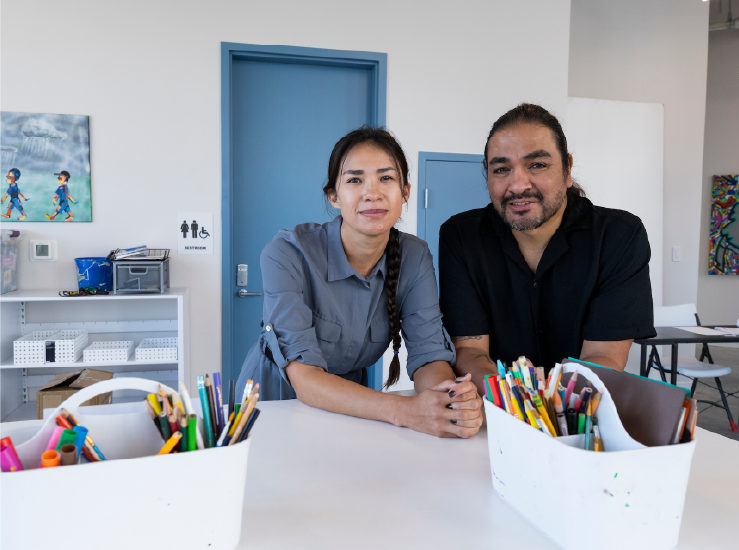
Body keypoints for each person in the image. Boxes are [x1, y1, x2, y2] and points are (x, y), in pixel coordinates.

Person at [236, 126, 482, 438]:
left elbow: (429, 354)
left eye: (386, 178)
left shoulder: (414, 255)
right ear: (334, 196)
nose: (373, 192)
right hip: (272, 403)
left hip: (351, 406)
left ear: (405, 191)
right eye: (355, 180)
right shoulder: (287, 252)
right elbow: (305, 377)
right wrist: (405, 412)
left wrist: (448, 402)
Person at [439, 103, 655, 388]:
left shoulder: (618, 236)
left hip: (579, 414)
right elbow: (470, 350)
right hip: (497, 412)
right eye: (501, 169)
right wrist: (516, 396)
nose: (517, 185)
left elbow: (604, 356)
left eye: (537, 165)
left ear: (567, 170)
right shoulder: (461, 237)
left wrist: (549, 406)